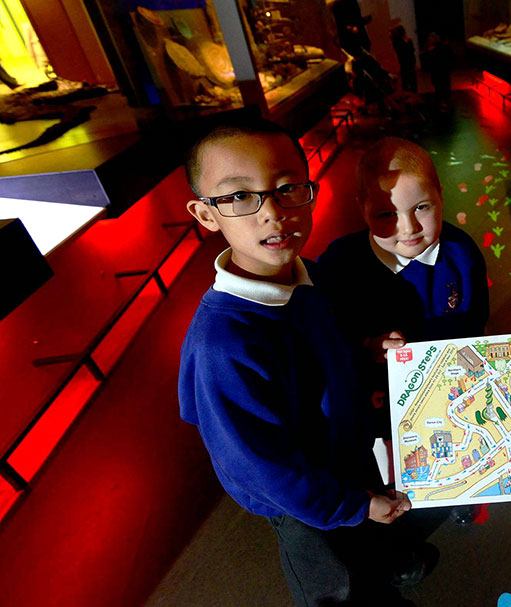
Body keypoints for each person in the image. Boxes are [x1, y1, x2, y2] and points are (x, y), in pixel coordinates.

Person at [178, 117, 431, 607]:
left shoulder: (307, 277)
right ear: (205, 214)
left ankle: (382, 564)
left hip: (346, 456)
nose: (271, 213)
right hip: (300, 499)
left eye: (288, 187)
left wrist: (364, 349)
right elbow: (259, 464)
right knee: (333, 585)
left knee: (367, 545)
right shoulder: (223, 341)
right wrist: (350, 505)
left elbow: (316, 354)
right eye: (238, 197)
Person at [314, 137, 489, 525]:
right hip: (375, 403)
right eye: (385, 215)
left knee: (452, 446)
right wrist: (367, 346)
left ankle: (458, 489)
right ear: (361, 209)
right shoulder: (340, 264)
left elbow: (476, 318)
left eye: (422, 208)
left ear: (440, 195)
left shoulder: (461, 252)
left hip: (448, 391)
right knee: (389, 467)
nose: (407, 228)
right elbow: (326, 342)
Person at [390, 23, 418, 93]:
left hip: (407, 62)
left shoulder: (399, 41)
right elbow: (407, 51)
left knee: (409, 80)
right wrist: (408, 43)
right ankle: (410, 94)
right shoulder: (398, 42)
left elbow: (411, 50)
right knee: (409, 80)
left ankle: (411, 94)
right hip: (406, 62)